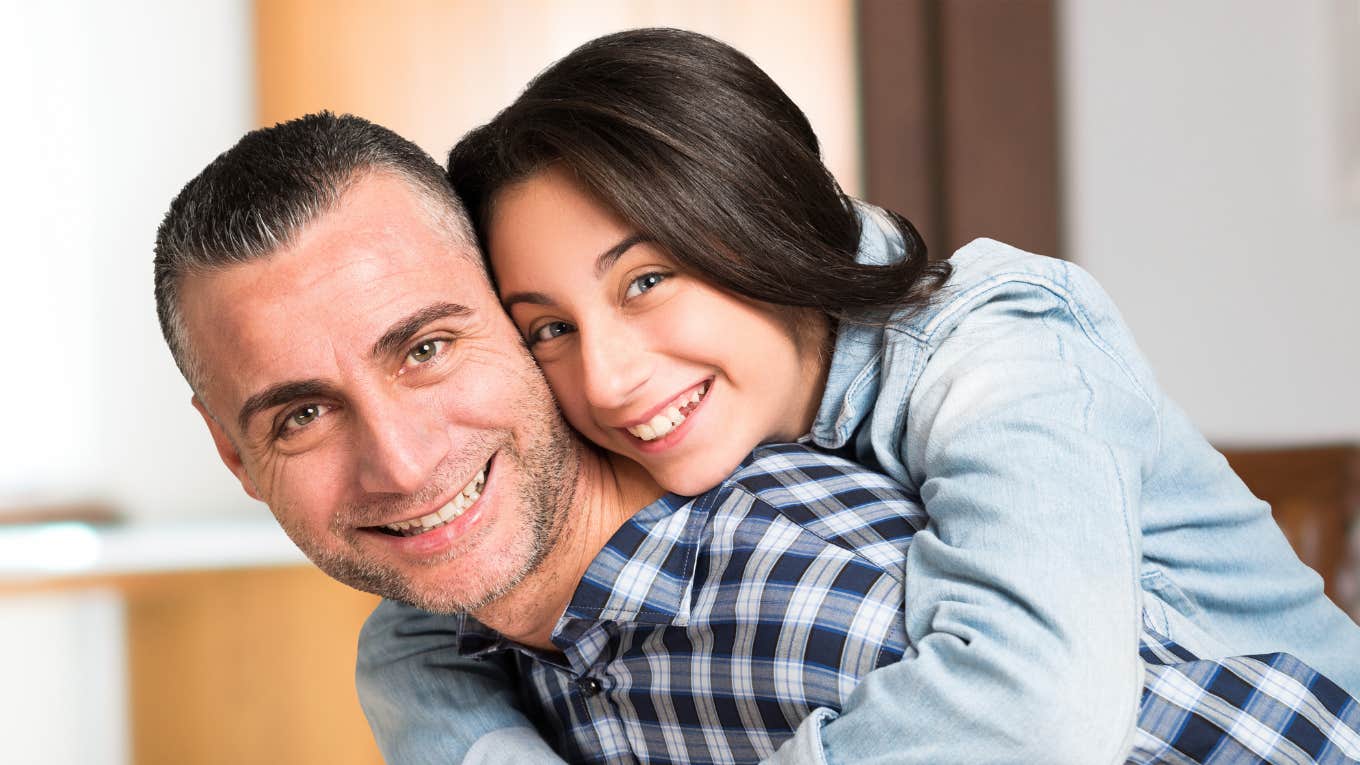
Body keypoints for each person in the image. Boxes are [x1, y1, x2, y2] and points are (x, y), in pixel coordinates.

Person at [153, 113, 1360, 764]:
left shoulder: (969, 387)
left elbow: (1046, 713)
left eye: (425, 347)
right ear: (231, 454)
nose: (406, 462)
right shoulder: (464, 642)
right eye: (299, 413)